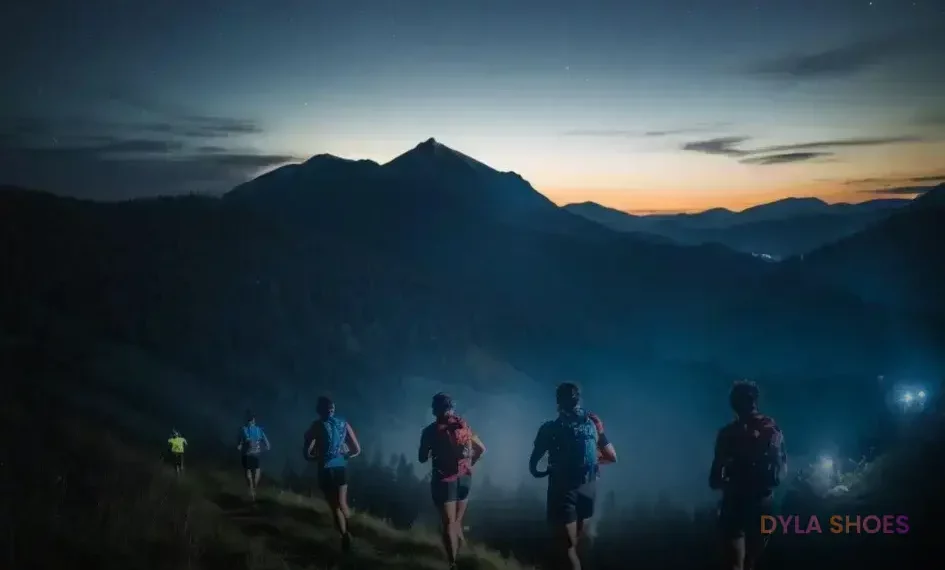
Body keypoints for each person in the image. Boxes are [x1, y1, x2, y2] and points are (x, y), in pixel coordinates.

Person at [529, 382, 616, 570]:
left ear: (558, 402)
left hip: (563, 490)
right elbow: (612, 456)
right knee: (575, 544)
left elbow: (533, 465)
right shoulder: (592, 422)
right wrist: (589, 462)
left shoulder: (550, 428)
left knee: (566, 547)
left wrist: (544, 471)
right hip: (589, 486)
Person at [709, 380, 787, 570]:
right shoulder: (772, 430)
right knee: (754, 561)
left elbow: (714, 480)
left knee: (734, 564)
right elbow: (780, 473)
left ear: (734, 404)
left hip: (734, 504)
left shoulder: (727, 434)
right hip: (763, 503)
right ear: (755, 401)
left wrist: (730, 482)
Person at [418, 393, 486, 570]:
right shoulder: (463, 426)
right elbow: (481, 449)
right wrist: (469, 464)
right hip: (465, 479)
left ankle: (453, 564)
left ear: (435, 410)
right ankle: (466, 558)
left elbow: (422, 458)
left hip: (444, 481)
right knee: (457, 522)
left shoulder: (431, 431)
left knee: (449, 524)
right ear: (452, 408)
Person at [304, 396, 361, 553]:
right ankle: (354, 528)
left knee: (334, 507)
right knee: (343, 503)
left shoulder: (316, 426)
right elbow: (356, 450)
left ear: (319, 410)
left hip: (326, 469)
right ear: (333, 409)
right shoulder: (343, 423)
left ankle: (345, 536)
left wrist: (316, 456)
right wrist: (344, 456)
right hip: (341, 467)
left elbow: (307, 453)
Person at [237, 410, 271, 501]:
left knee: (248, 472)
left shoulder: (244, 429)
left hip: (247, 454)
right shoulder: (259, 430)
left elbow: (240, 444)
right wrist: (265, 448)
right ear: (254, 420)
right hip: (256, 454)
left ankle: (251, 488)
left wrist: (240, 446)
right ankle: (254, 487)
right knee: (257, 471)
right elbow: (268, 444)